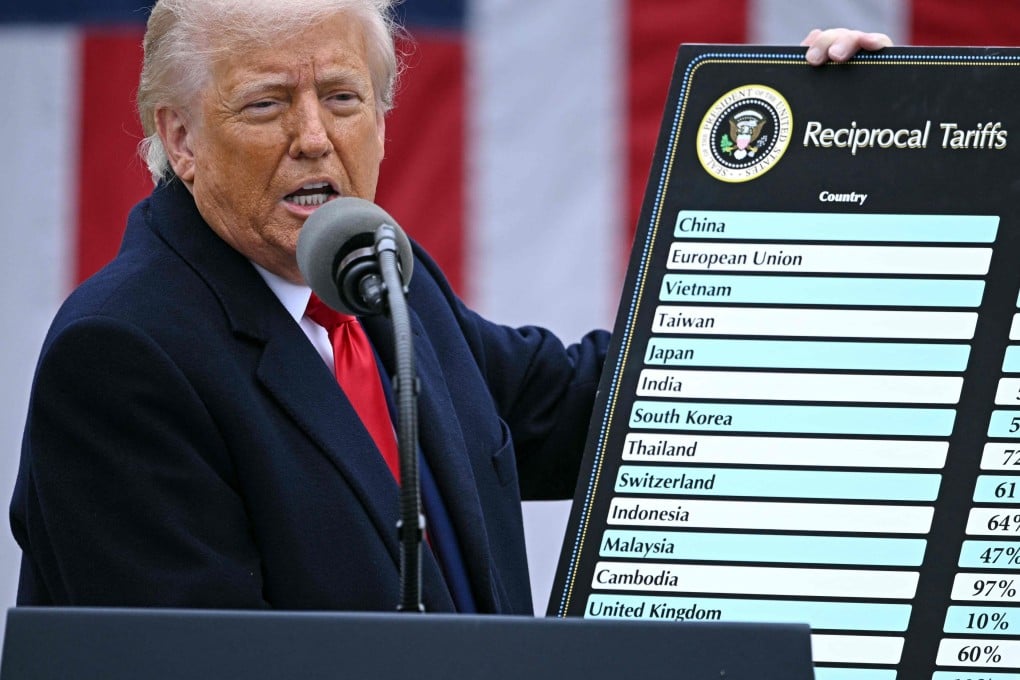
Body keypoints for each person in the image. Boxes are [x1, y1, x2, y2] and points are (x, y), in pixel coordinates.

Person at [9, 0, 890, 614]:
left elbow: (599, 408)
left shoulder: (379, 274)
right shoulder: (123, 354)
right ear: (180, 138)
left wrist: (837, 163)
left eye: (343, 98)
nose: (314, 136)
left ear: (384, 119)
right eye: (267, 103)